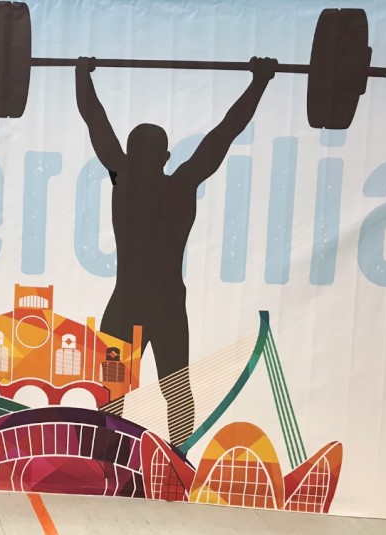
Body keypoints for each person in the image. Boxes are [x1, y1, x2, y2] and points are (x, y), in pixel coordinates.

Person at [75, 56, 276, 446]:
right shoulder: (182, 185)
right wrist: (259, 81)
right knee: (175, 389)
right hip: (166, 306)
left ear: (130, 157)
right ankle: (178, 457)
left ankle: (106, 457)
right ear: (166, 158)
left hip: (127, 304)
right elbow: (224, 134)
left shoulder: (124, 180)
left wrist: (82, 75)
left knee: (114, 393)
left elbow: (94, 119)